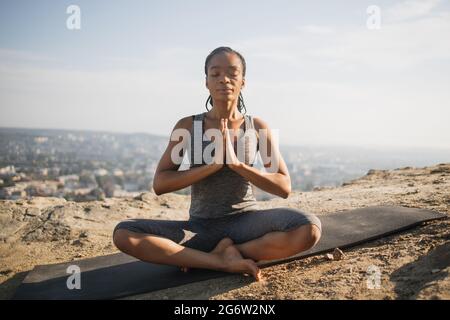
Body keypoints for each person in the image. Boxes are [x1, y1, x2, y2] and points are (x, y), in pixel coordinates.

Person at [113, 47, 322, 281]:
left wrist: (237, 165)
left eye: (233, 73)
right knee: (124, 234)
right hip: (200, 227)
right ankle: (219, 261)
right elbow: (160, 184)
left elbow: (283, 187)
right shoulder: (187, 126)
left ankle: (226, 253)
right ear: (206, 82)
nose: (224, 79)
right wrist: (210, 166)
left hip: (246, 223)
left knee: (308, 229)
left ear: (243, 81)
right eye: (215, 74)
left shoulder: (257, 127)